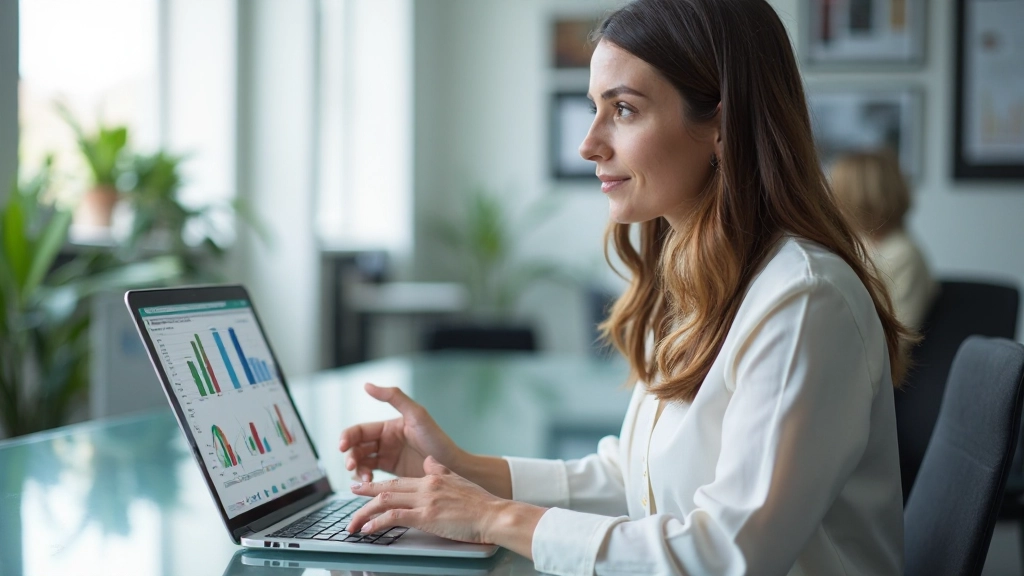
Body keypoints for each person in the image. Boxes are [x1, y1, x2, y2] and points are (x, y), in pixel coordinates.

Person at [338, 0, 915, 574]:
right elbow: (634, 480)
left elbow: (726, 556)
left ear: (721, 124)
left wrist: (495, 518)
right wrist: (460, 469)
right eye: (595, 108)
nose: (588, 143)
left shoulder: (804, 299)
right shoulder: (699, 278)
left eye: (624, 109)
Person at [830, 150, 939, 331]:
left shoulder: (904, 256)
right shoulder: (860, 245)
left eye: (838, 195)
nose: (832, 204)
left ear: (859, 201)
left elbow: (899, 336)